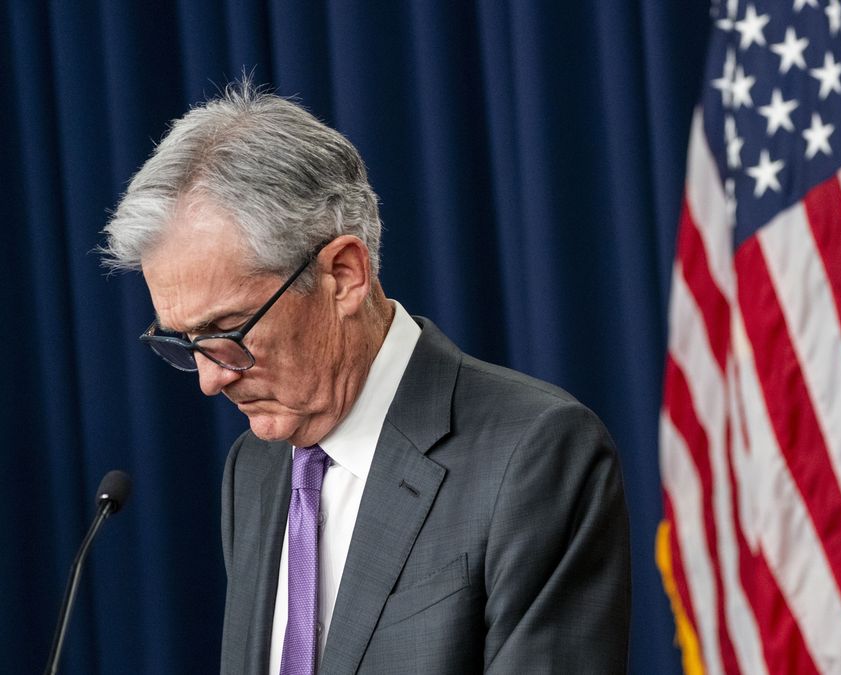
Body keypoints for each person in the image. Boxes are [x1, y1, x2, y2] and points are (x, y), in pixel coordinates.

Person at [100, 80, 631, 674]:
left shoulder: (535, 453)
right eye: (182, 341)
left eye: (227, 330)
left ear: (344, 275)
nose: (208, 380)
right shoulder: (253, 468)